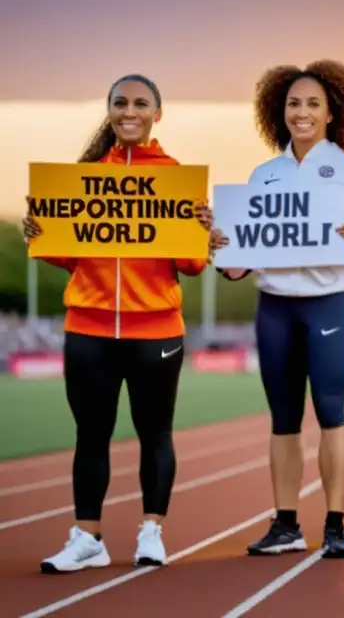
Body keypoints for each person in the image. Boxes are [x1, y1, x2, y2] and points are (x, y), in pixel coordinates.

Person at [22, 74, 213, 573]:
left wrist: (201, 230)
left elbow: (192, 266)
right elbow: (72, 256)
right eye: (120, 102)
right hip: (88, 328)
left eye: (141, 103)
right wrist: (41, 235)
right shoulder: (83, 178)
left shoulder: (177, 179)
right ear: (109, 111)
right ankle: (88, 538)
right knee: (91, 435)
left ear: (157, 113)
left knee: (155, 434)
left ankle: (151, 531)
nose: (130, 111)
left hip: (156, 332)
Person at [208, 60, 344, 559]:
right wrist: (221, 247)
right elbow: (240, 261)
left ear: (332, 113)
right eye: (293, 104)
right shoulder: (263, 176)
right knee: (283, 419)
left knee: (331, 414)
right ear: (278, 112)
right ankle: (285, 525)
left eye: (313, 104)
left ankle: (335, 525)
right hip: (274, 308)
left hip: (328, 304)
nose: (302, 113)